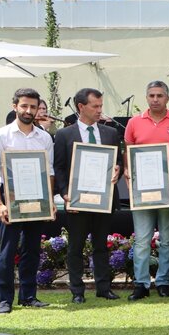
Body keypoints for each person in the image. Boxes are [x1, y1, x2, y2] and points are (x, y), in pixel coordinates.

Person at [0, 88, 54, 314]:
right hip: (10, 199)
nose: (28, 110)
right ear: (15, 106)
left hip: (37, 198)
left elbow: (49, 172)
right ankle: (5, 300)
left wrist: (50, 201)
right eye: (24, 106)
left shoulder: (44, 137)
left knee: (32, 250)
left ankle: (29, 296)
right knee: (7, 251)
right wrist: (0, 204)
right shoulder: (0, 136)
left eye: (33, 107)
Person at [53, 87, 123, 304]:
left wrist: (118, 169)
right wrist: (65, 194)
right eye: (95, 106)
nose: (100, 110)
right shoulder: (64, 134)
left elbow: (118, 161)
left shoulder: (110, 133)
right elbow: (60, 168)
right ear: (81, 107)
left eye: (101, 106)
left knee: (101, 245)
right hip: (77, 201)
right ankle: (77, 291)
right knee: (75, 247)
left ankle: (104, 288)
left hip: (103, 200)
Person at [124, 80, 169, 300]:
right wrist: (127, 171)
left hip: (168, 190)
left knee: (166, 238)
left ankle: (163, 281)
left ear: (167, 98)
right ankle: (141, 284)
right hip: (142, 190)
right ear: (146, 98)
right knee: (142, 239)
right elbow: (128, 155)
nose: (155, 99)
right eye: (151, 95)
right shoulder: (134, 123)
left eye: (159, 95)